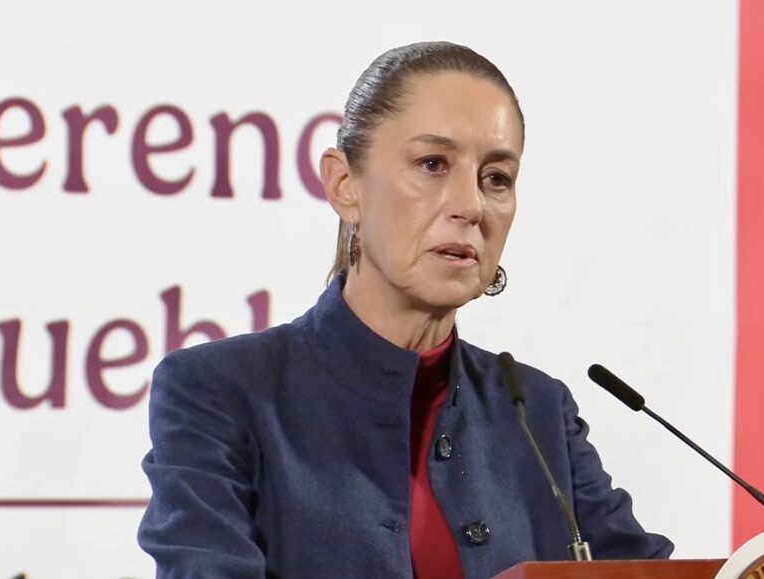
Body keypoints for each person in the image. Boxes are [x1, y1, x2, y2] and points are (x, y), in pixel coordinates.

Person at [138, 41, 673, 579]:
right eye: (432, 164)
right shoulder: (218, 391)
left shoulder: (538, 411)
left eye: (496, 178)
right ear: (344, 185)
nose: (470, 206)